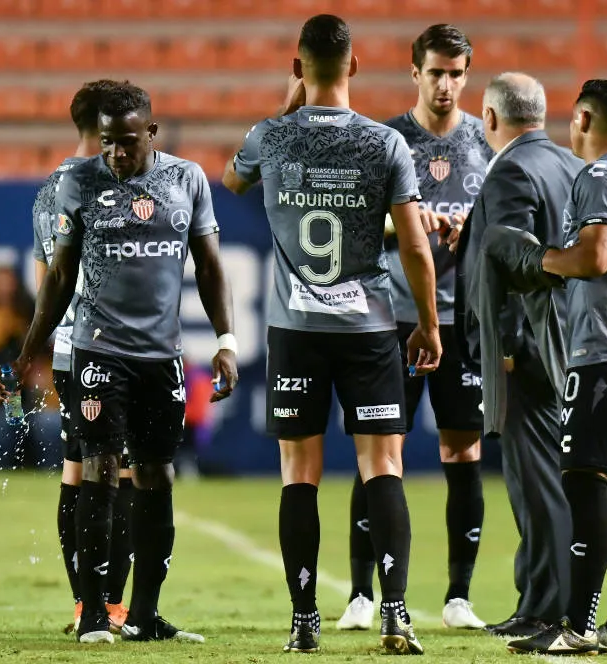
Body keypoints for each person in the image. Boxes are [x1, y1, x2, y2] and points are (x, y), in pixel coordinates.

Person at [222, 14, 440, 655]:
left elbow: (231, 182)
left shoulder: (270, 137)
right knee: (384, 466)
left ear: (296, 68)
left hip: (297, 330)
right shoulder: (386, 144)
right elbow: (418, 250)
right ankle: (396, 613)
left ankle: (303, 621)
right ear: (355, 66)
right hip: (370, 327)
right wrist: (427, 325)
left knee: (300, 474)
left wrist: (285, 109)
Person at [4, 80, 238, 644]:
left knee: (157, 476)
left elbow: (208, 266)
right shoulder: (77, 183)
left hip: (162, 357)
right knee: (101, 471)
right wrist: (26, 355)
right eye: (107, 142)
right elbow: (58, 277)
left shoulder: (186, 180)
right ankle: (91, 614)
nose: (116, 153)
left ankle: (145, 614)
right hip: (97, 351)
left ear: (151, 132)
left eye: (127, 142)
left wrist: (226, 339)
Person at [336, 23, 492, 633]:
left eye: (456, 73)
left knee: (464, 450)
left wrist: (469, 229)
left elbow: (511, 225)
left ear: (467, 75)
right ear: (415, 74)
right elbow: (354, 224)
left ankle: (459, 596)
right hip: (391, 320)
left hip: (465, 321)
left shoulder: (487, 142)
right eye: (436, 73)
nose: (447, 84)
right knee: (381, 453)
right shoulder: (387, 142)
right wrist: (405, 225)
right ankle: (359, 594)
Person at [504, 79, 607, 656]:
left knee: (584, 478)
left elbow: (596, 257)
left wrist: (539, 259)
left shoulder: (599, 176)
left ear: (582, 118)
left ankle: (578, 624)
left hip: (606, 351)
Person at [451, 72, 581, 640]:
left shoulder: (510, 169)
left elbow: (508, 260)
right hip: (571, 343)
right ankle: (538, 598)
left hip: (526, 351)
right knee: (556, 476)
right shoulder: (571, 166)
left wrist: (498, 344)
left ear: (491, 118)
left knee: (536, 482)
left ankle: (547, 607)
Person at [30, 79, 136, 635]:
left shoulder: (47, 191)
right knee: (120, 474)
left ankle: (83, 603)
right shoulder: (102, 184)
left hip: (69, 347)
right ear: (103, 131)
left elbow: (45, 279)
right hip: (112, 348)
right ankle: (112, 605)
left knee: (77, 472)